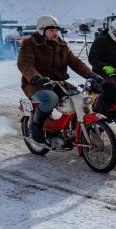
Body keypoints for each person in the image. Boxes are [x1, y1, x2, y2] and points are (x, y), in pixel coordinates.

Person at [17, 15, 103, 145]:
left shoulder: (61, 45)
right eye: (51, 30)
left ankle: (74, 129)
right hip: (36, 84)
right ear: (42, 30)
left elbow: (76, 63)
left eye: (56, 30)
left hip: (58, 83)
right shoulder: (30, 44)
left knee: (80, 97)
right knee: (51, 98)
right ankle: (36, 128)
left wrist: (90, 74)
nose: (55, 33)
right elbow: (25, 64)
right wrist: (36, 77)